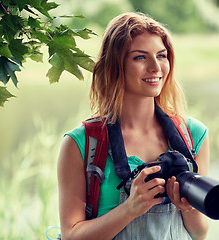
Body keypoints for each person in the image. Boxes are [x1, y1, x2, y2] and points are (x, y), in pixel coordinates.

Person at [57, 12, 210, 240]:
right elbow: (71, 235)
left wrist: (186, 206)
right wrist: (130, 208)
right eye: (140, 57)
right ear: (115, 65)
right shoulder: (82, 143)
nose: (155, 67)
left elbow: (199, 232)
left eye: (161, 55)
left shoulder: (193, 134)